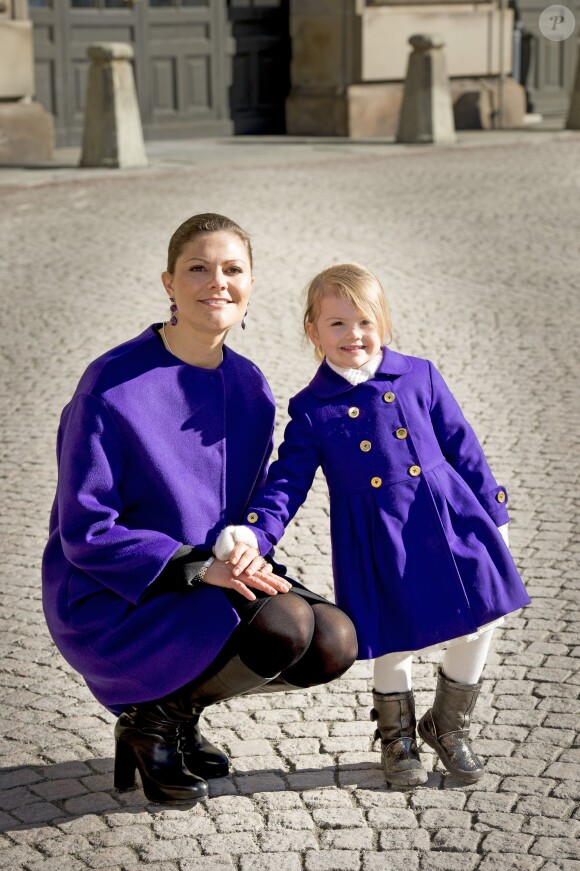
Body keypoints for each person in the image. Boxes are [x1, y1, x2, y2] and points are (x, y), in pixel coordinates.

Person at [42, 215, 358, 804]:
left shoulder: (249, 387)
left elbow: (247, 505)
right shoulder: (110, 385)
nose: (217, 282)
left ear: (250, 284)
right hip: (118, 588)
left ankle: (175, 712)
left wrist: (246, 546)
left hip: (208, 574)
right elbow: (84, 530)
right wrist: (193, 565)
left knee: (333, 640)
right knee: (283, 625)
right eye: (198, 269)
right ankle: (154, 721)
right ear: (169, 283)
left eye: (232, 270)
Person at [215, 263, 530, 787]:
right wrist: (254, 532)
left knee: (485, 618)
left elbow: (462, 444)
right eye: (336, 324)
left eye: (363, 321)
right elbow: (287, 483)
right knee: (394, 640)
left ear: (382, 322)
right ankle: (397, 735)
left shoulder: (418, 373)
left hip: (448, 516)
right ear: (312, 332)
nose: (352, 335)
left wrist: (492, 510)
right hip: (376, 535)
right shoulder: (312, 409)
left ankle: (447, 724)